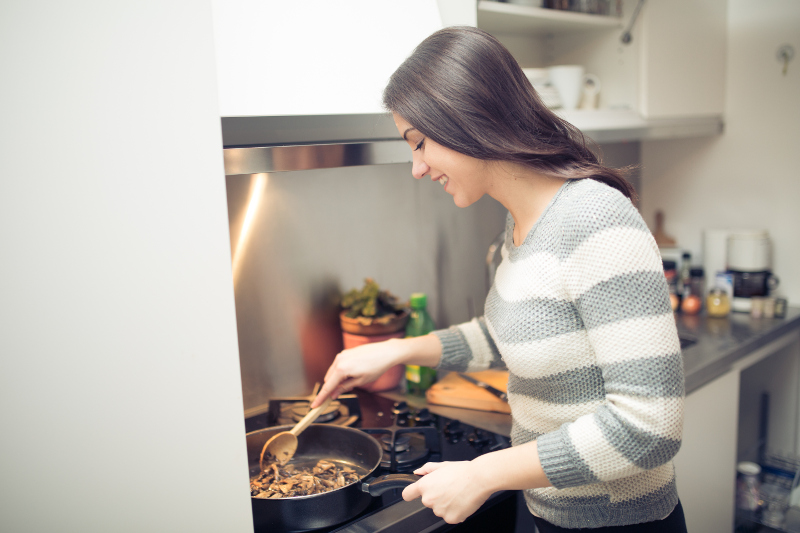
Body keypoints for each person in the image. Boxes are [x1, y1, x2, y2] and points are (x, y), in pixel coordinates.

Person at [312, 26, 686, 532]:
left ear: (468, 118)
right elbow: (508, 333)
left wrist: (484, 473)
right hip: (551, 514)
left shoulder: (596, 218)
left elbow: (649, 428)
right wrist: (396, 350)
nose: (416, 168)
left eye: (419, 143)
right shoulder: (520, 225)